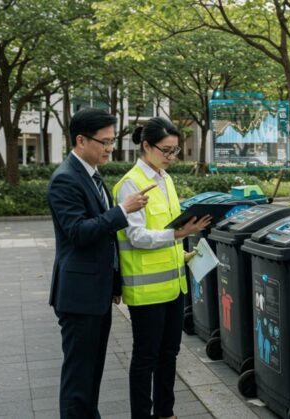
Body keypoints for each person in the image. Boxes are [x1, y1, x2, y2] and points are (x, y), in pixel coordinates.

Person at [47, 108, 152, 418]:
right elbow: (78, 232)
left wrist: (114, 281)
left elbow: (104, 239)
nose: (110, 148)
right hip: (79, 296)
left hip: (96, 292)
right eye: (104, 142)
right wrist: (123, 210)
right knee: (79, 378)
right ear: (81, 140)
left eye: (112, 141)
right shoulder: (65, 180)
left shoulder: (91, 175)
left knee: (91, 374)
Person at [113, 117, 211, 419]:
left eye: (175, 151)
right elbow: (137, 236)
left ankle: (166, 413)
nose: (170, 157)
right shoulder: (130, 184)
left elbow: (168, 226)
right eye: (165, 151)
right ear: (146, 146)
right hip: (146, 290)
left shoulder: (164, 179)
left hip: (173, 285)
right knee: (146, 358)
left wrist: (183, 253)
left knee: (170, 354)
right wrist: (177, 235)